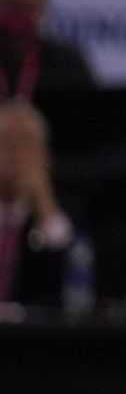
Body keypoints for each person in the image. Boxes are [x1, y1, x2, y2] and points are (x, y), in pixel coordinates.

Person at [0, 100, 82, 307]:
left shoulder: (69, 208)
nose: (17, 154)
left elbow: (70, 275)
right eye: (7, 143)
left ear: (45, 156)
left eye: (26, 144)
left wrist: (43, 201)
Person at [0, 0, 96, 104]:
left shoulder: (67, 66)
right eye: (10, 2)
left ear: (43, 7)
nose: (18, 13)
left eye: (27, 5)